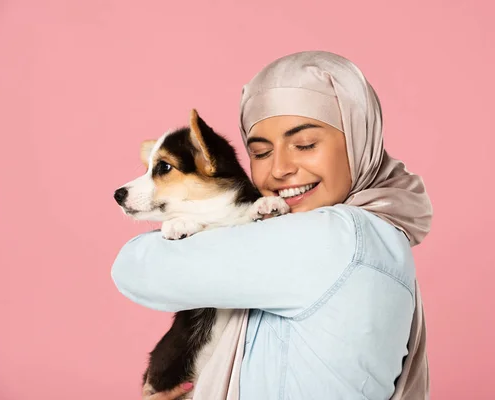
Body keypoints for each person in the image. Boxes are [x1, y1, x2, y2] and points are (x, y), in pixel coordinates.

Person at [111, 50, 433, 400]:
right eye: (261, 152)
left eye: (305, 144)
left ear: (359, 140)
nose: (280, 169)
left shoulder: (334, 237)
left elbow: (135, 268)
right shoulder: (381, 233)